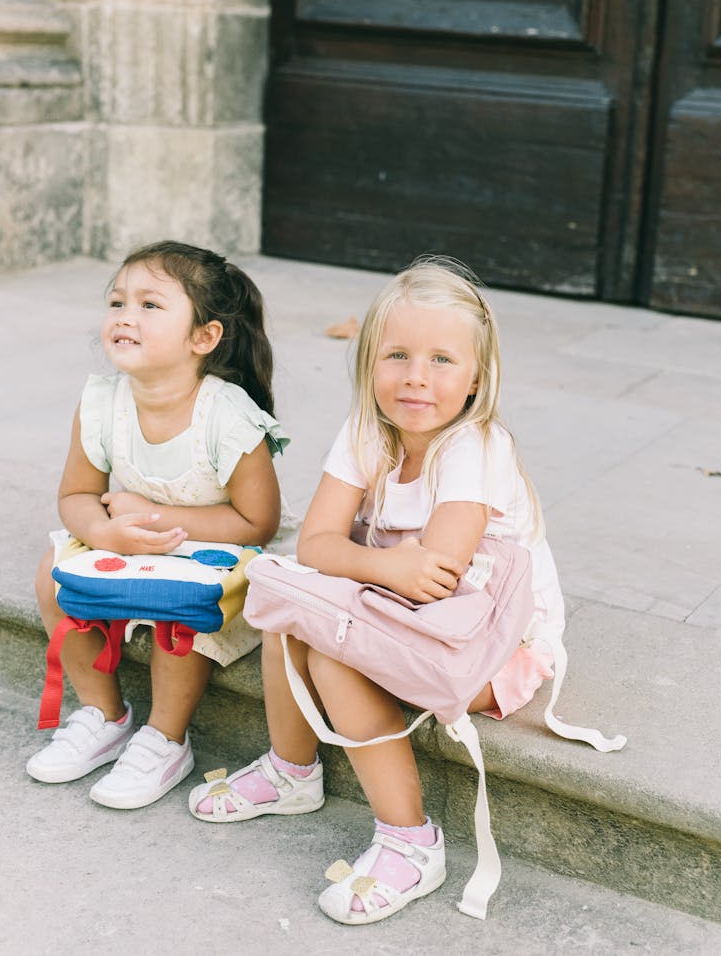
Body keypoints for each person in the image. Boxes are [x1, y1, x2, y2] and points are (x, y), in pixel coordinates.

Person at [188, 255, 565, 924]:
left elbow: (437, 580)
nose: (416, 376)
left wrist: (365, 572)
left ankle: (411, 842)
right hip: (396, 602)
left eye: (442, 360)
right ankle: (291, 771)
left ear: (477, 378)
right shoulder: (367, 430)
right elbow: (318, 545)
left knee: (333, 648)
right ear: (368, 365)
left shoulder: (474, 447)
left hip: (487, 639)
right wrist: (384, 567)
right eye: (396, 354)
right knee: (290, 612)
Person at [26, 240, 288, 809]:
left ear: (204, 337)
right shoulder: (101, 402)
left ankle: (166, 738)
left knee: (180, 603)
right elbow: (75, 495)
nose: (125, 315)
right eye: (117, 300)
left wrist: (153, 518)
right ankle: (104, 713)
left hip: (213, 556)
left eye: (150, 304)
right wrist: (101, 534)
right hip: (125, 542)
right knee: (53, 571)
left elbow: (256, 521)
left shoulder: (228, 414)